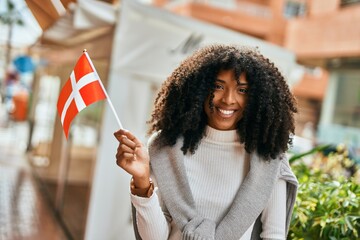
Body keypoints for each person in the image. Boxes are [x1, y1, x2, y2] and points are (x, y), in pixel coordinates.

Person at [114, 44, 298, 240]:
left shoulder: (268, 160)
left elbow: (274, 235)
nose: (228, 99)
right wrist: (142, 182)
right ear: (198, 89)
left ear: (257, 98)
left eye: (242, 90)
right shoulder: (166, 148)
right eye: (218, 86)